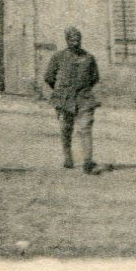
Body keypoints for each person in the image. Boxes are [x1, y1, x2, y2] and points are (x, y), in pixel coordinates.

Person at [43, 26, 101, 174]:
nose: (75, 42)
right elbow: (49, 77)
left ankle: (88, 161)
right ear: (66, 40)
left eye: (77, 39)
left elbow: (94, 78)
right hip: (64, 99)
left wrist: (83, 89)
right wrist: (60, 90)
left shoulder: (89, 58)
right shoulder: (58, 57)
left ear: (81, 40)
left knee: (85, 128)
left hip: (84, 99)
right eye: (71, 39)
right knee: (65, 129)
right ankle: (68, 157)